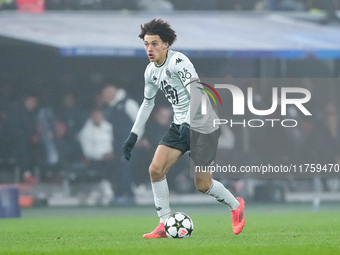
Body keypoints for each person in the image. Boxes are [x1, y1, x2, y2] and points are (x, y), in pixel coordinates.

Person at [123, 19, 245, 238]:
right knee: (155, 170)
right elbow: (147, 103)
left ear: (166, 44)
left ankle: (236, 206)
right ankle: (163, 223)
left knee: (203, 184)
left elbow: (197, 93)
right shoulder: (150, 71)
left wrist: (190, 125)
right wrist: (133, 134)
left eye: (154, 44)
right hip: (180, 125)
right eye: (146, 44)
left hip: (203, 125)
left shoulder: (179, 61)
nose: (149, 49)